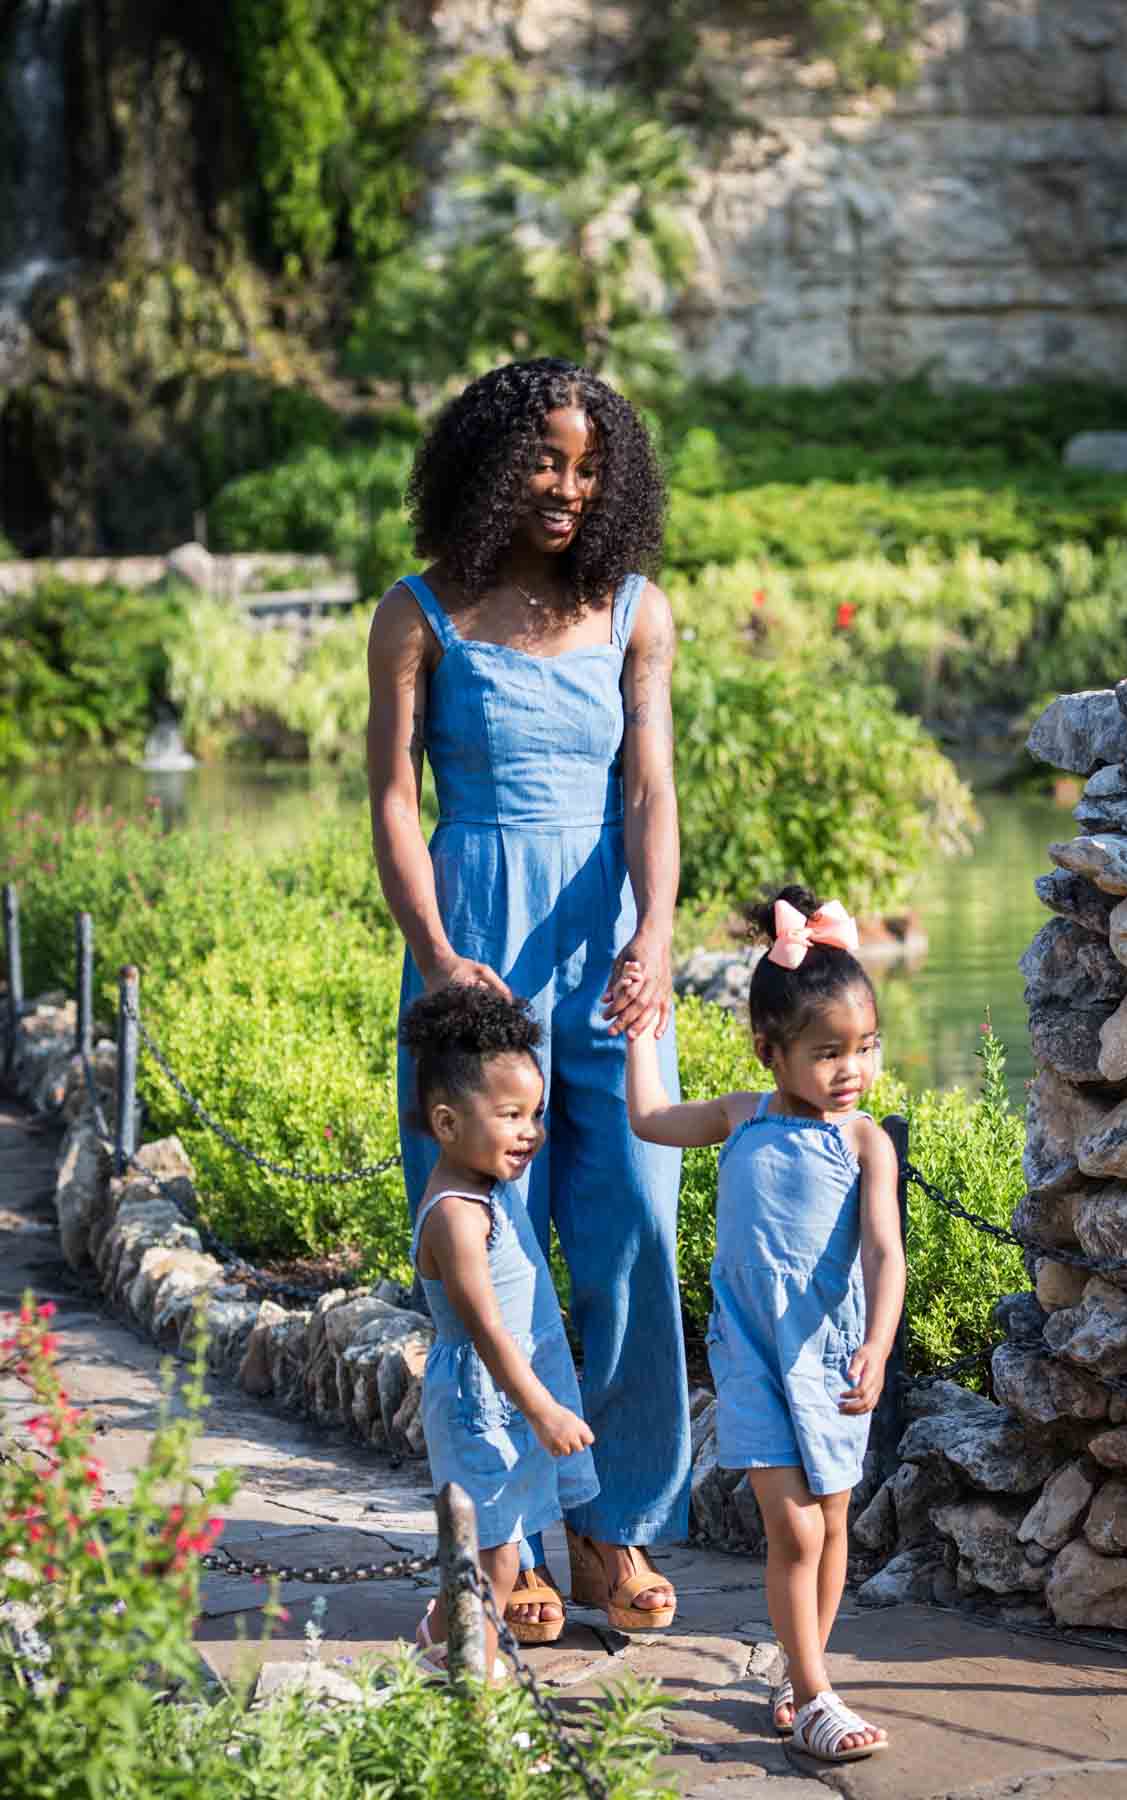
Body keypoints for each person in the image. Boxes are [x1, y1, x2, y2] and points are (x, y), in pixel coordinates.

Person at [366, 358, 687, 1643]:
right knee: (486, 1259)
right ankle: (502, 1550)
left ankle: (613, 1533)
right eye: (546, 460)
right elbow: (395, 796)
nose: (567, 486)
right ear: (494, 462)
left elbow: (651, 790)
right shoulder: (418, 611)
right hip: (476, 946)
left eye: (590, 465)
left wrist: (659, 933)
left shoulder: (633, 610)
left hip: (612, 948)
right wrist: (437, 953)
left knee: (632, 1242)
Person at [624, 886, 906, 1764]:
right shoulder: (743, 1116)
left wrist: (878, 1345)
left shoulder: (865, 1142)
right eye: (827, 1054)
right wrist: (641, 1034)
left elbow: (885, 1257)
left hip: (830, 1355)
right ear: (769, 1052)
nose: (851, 1070)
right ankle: (819, 1694)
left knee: (834, 1524)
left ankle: (799, 1671)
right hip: (750, 1353)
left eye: (864, 1048)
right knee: (796, 1530)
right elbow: (648, 1119)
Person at [399, 984, 598, 1678]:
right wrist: (540, 1407)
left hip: (504, 1396)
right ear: (448, 1123)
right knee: (495, 1553)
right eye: (510, 1114)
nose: (530, 1131)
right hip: (485, 1402)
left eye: (535, 1113)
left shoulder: (488, 1193)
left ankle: (438, 1641)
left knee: (503, 1545)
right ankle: (476, 1693)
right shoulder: (457, 1214)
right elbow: (483, 1327)